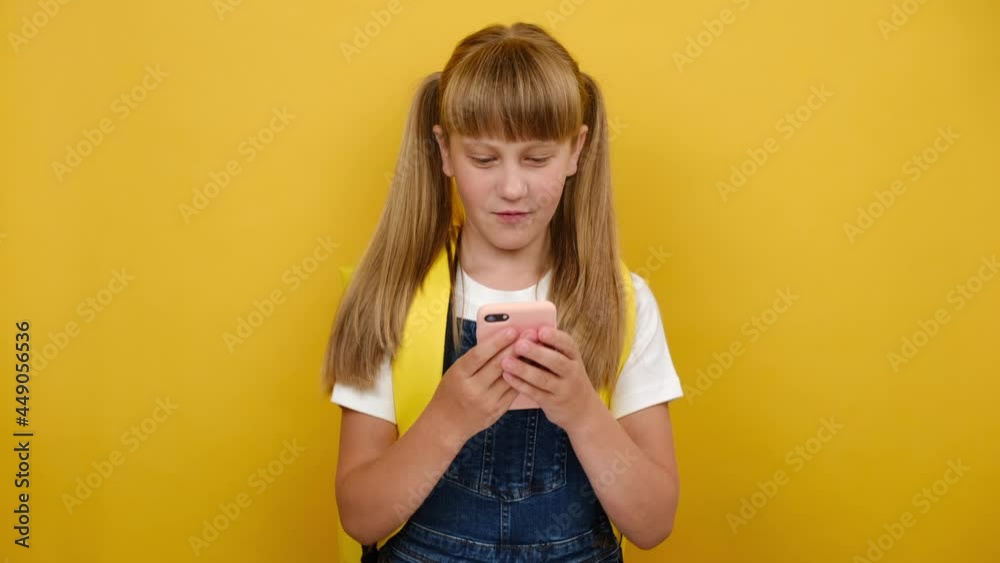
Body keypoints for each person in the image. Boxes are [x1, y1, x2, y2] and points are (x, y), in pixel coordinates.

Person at [323, 21, 683, 562]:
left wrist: (583, 412)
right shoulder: (391, 300)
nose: (512, 187)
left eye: (536, 159)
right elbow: (360, 517)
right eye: (484, 159)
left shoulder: (622, 303)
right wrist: (447, 420)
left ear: (576, 150)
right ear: (444, 150)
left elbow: (654, 522)